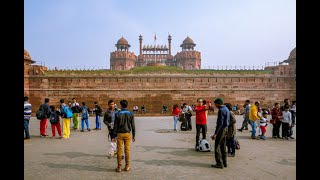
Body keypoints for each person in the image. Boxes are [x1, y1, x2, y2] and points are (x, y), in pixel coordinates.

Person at [112, 100, 136, 172]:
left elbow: (115, 126)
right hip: (128, 134)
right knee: (127, 150)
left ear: (121, 105)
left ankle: (119, 167)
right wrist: (134, 135)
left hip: (119, 134)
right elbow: (133, 125)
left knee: (119, 150)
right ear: (127, 105)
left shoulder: (118, 113)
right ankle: (127, 166)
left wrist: (113, 136)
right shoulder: (131, 113)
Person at [211, 98, 230, 169]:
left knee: (217, 146)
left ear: (218, 103)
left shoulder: (221, 110)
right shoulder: (226, 109)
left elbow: (220, 123)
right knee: (223, 146)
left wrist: (215, 134)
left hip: (221, 130)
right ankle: (224, 162)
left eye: (215, 104)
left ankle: (219, 163)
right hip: (225, 129)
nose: (215, 105)